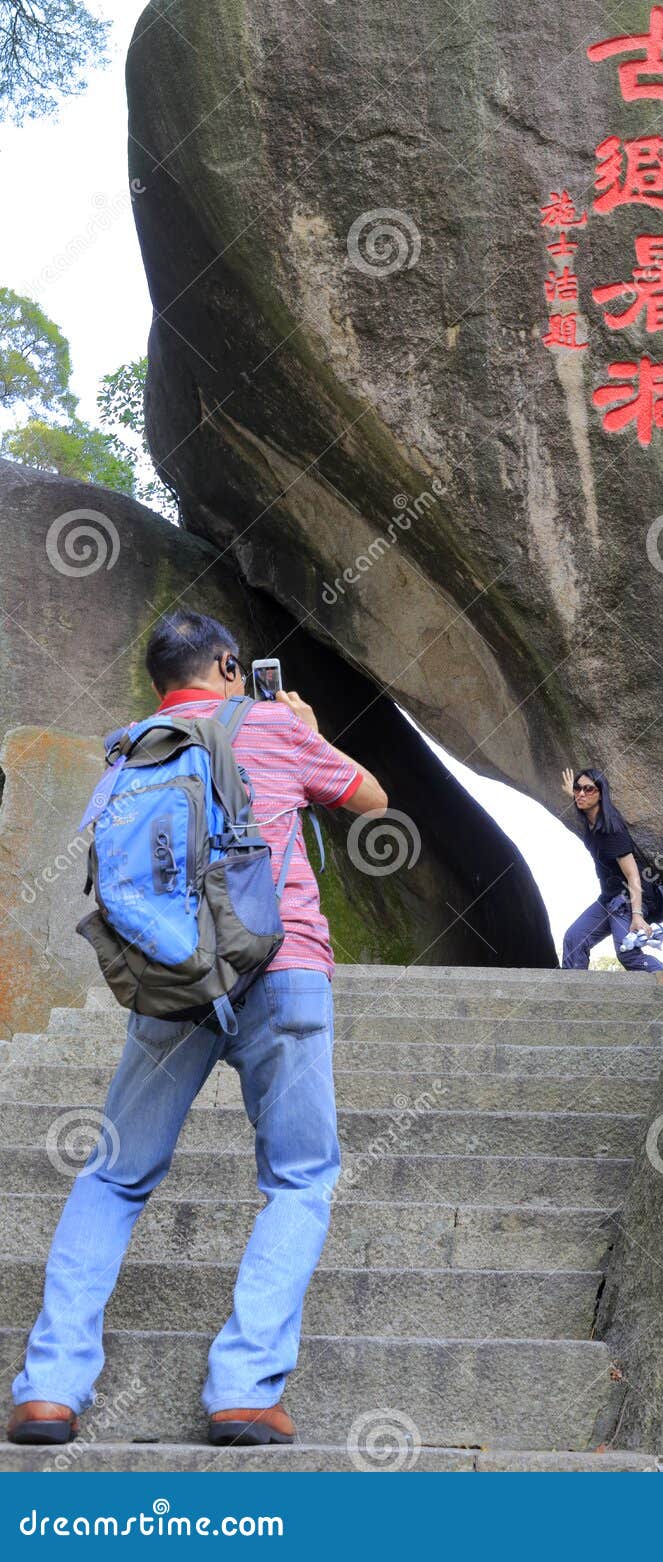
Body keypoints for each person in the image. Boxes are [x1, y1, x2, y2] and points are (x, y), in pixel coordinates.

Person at [7, 609, 388, 1449]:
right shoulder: (272, 725)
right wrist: (303, 727)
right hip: (280, 967)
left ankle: (49, 1389)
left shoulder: (130, 748)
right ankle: (243, 1393)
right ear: (226, 665)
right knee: (298, 1179)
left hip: (171, 981)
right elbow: (370, 798)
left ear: (158, 682)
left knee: (112, 1177)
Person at [560, 766, 663, 973]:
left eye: (589, 789)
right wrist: (572, 794)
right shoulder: (590, 818)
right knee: (574, 938)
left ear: (601, 794)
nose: (581, 793)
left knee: (627, 954)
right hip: (609, 898)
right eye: (577, 788)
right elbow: (581, 800)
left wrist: (637, 915)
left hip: (629, 898)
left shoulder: (611, 829)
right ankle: (574, 992)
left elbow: (633, 875)